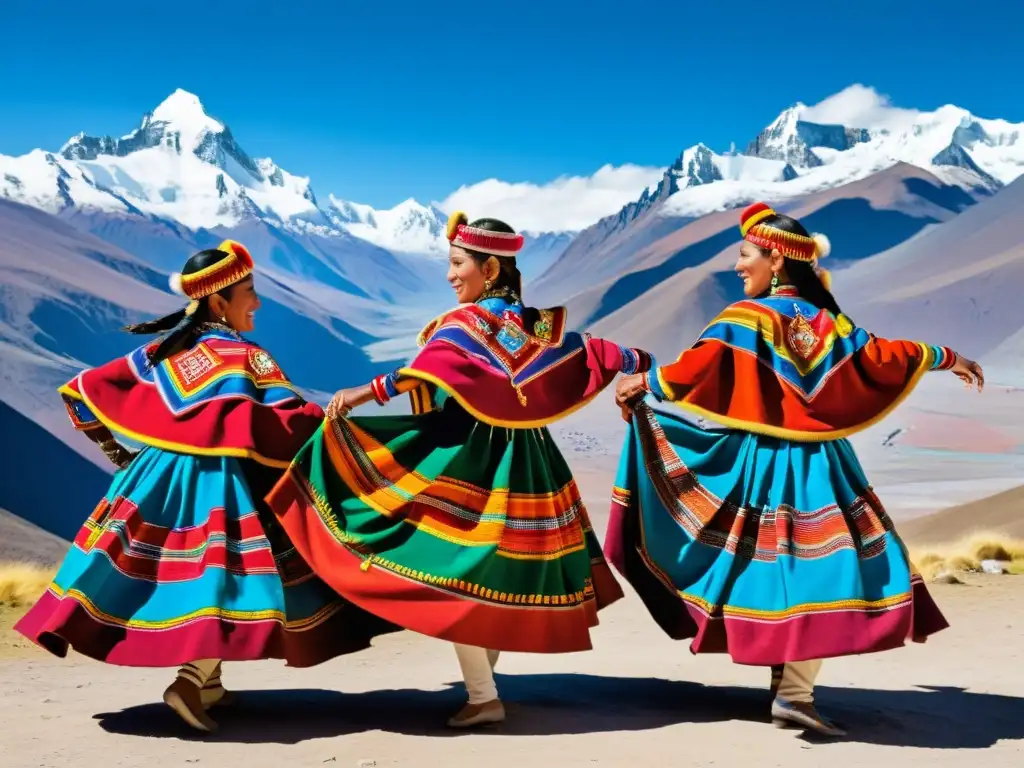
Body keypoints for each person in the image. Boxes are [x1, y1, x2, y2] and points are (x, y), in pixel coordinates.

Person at [608, 202, 984, 737]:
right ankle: (793, 690)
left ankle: (791, 689)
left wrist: (645, 384)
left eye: (745, 255)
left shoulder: (745, 319)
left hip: (759, 462)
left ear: (777, 261)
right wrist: (945, 355)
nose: (738, 266)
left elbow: (698, 365)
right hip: (821, 464)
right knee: (828, 566)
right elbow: (883, 355)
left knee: (769, 567)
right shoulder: (832, 324)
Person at [266, 212, 654, 728]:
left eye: (457, 264)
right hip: (531, 462)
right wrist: (642, 371)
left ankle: (482, 696)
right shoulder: (539, 325)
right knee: (490, 574)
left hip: (470, 458)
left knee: (453, 569)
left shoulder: (463, 324)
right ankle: (482, 691)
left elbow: (426, 370)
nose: (450, 276)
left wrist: (363, 394)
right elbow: (604, 353)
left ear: (489, 267)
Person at [15, 240, 396, 733]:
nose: (257, 302)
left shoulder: (166, 351)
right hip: (223, 484)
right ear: (219, 301)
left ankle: (209, 683)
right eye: (250, 292)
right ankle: (191, 681)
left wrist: (120, 455)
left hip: (158, 479)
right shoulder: (245, 356)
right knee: (227, 580)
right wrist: (339, 429)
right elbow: (290, 421)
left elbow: (82, 393)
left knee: (190, 581)